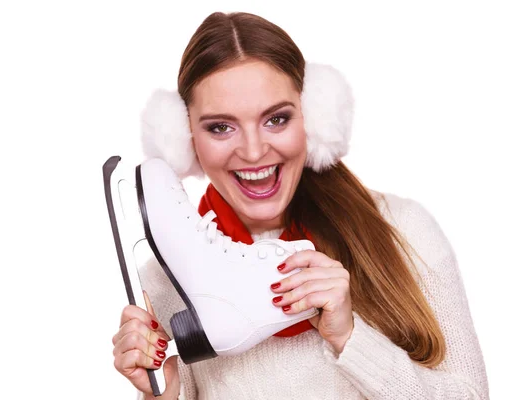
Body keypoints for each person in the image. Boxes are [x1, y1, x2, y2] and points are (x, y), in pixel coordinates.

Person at [111, 11, 489, 400]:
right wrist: (162, 393)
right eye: (220, 127)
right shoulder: (169, 274)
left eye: (276, 119)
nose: (254, 151)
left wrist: (349, 338)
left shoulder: (403, 229)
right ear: (184, 135)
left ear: (315, 117)